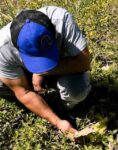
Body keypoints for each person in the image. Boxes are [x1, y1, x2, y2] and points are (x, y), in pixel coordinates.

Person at [0, 6, 92, 135]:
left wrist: (40, 72)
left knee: (77, 89)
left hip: (59, 65)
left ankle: (63, 107)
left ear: (54, 32)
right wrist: (57, 122)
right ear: (16, 48)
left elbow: (83, 63)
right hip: (20, 71)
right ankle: (41, 106)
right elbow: (24, 92)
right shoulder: (3, 48)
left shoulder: (61, 21)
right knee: (3, 83)